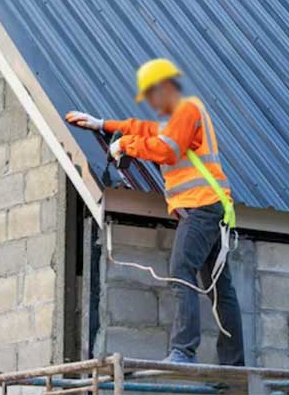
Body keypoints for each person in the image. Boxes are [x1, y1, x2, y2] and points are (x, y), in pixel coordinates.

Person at [66, 58, 244, 366]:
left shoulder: (187, 109)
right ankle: (233, 362)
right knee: (221, 289)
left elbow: (167, 149)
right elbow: (144, 128)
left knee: (181, 272)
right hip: (210, 209)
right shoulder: (179, 115)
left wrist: (125, 147)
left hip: (201, 208)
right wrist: (103, 125)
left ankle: (183, 351)